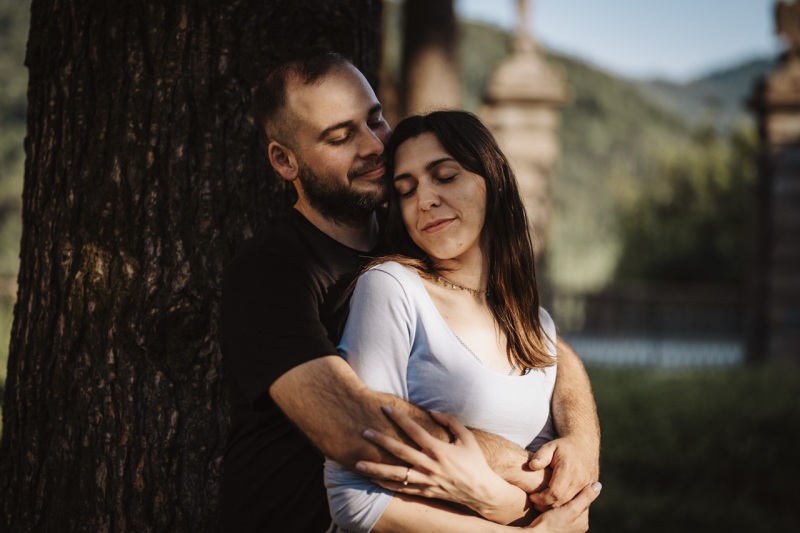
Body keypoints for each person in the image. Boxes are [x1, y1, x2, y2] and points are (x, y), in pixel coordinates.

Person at [221, 49, 600, 531]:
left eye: (375, 120)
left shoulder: (417, 236)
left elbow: (544, 345)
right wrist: (522, 474)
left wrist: (582, 446)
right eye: (340, 137)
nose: (374, 146)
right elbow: (352, 423)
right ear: (284, 161)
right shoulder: (270, 273)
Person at [324, 111, 600, 532]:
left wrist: (577, 447)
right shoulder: (392, 288)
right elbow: (354, 498)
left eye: (446, 176)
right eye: (406, 189)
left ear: (493, 180)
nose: (425, 199)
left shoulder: (534, 325)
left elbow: (566, 502)